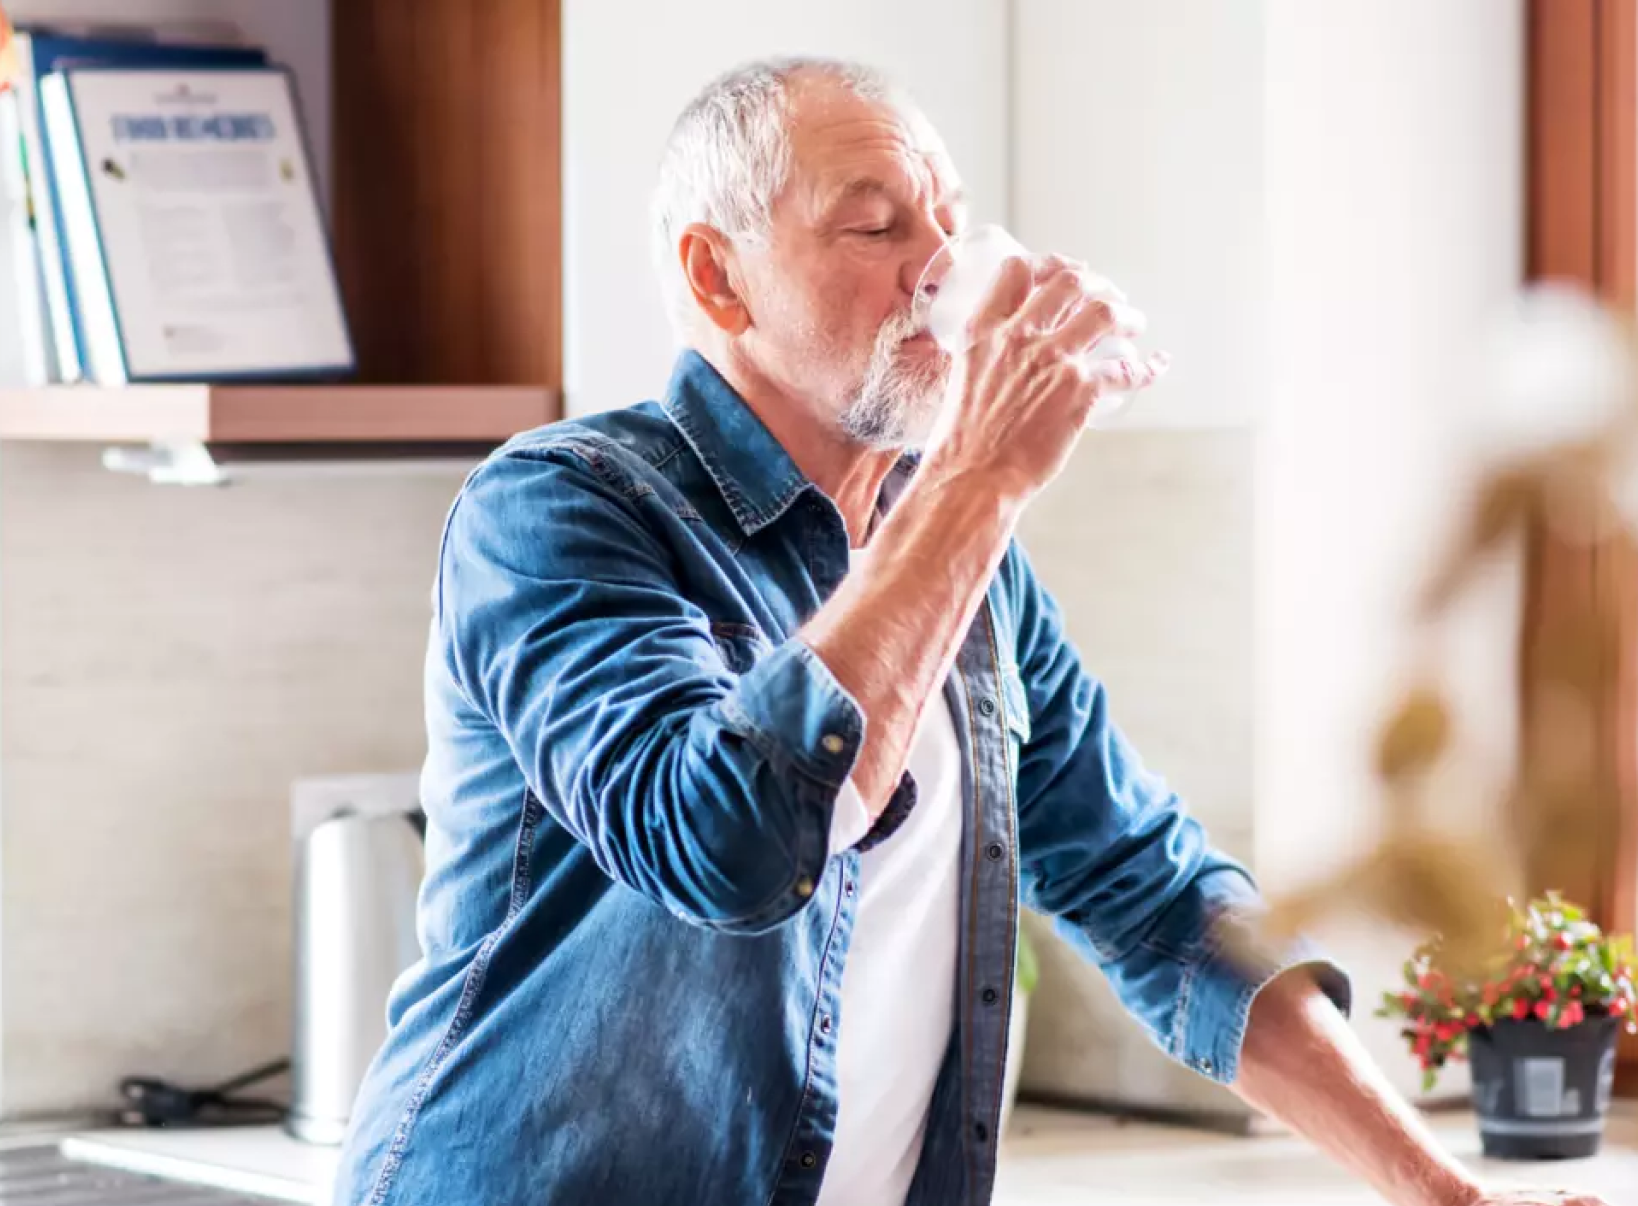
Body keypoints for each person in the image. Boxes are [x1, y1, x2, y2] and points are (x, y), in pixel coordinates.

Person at [333, 57, 1614, 1206]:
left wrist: (1446, 1196)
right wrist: (980, 477)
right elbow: (719, 843)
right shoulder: (564, 504)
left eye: (947, 221)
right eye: (877, 223)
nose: (939, 265)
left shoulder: (967, 564)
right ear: (716, 276)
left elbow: (1160, 902)